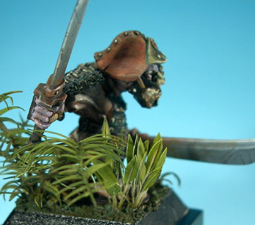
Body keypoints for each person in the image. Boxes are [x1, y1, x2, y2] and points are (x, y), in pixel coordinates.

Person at [28, 30, 166, 141]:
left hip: (106, 149)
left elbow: (149, 100)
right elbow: (68, 85)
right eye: (147, 74)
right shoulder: (92, 77)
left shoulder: (116, 99)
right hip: (83, 146)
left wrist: (129, 137)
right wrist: (49, 100)